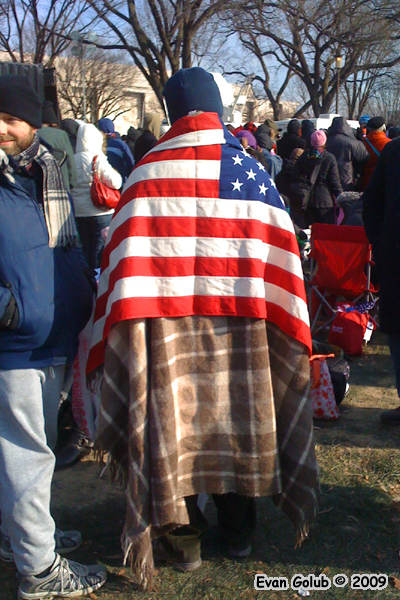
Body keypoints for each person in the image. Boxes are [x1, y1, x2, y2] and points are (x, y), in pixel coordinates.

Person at [87, 66, 318, 588]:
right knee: (238, 422)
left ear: (171, 110)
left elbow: (118, 267)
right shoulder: (253, 174)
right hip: (242, 333)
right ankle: (238, 533)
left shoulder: (145, 175)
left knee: (172, 426)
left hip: (164, 335)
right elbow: (282, 264)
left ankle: (183, 537)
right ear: (216, 108)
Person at [0, 74, 106, 598]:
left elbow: (62, 247)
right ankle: (40, 570)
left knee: (30, 450)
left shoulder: (41, 172)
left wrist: (78, 292)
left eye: (12, 118)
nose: (2, 128)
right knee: (28, 454)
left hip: (51, 333)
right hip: (15, 342)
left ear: (34, 123)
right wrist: (10, 310)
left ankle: (20, 536)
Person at [362, 135, 400, 425]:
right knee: (398, 330)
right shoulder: (394, 150)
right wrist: (381, 238)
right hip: (396, 255)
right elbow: (372, 200)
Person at [71, 122, 122, 269]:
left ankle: (86, 279)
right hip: (100, 211)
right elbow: (115, 182)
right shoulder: (97, 159)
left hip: (78, 212)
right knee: (99, 251)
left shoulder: (72, 159)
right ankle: (97, 280)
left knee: (85, 250)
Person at [292, 129, 342, 226]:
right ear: (325, 142)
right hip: (325, 202)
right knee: (326, 233)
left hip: (307, 200)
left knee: (311, 233)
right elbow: (334, 182)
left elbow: (295, 175)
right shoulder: (329, 158)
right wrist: (340, 198)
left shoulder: (304, 156)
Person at [38, 101, 77, 192]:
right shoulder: (60, 135)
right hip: (60, 187)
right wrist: (71, 183)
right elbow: (70, 164)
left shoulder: (30, 133)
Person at [325, 116, 369, 191]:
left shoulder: (325, 141)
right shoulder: (352, 142)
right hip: (347, 179)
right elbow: (365, 157)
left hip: (327, 179)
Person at [97, 117, 135, 184]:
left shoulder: (97, 144)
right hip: (120, 181)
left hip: (101, 183)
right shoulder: (120, 144)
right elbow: (130, 163)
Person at [360, 116, 391, 190]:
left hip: (366, 181)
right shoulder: (390, 144)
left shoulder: (362, 142)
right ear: (384, 128)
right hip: (384, 182)